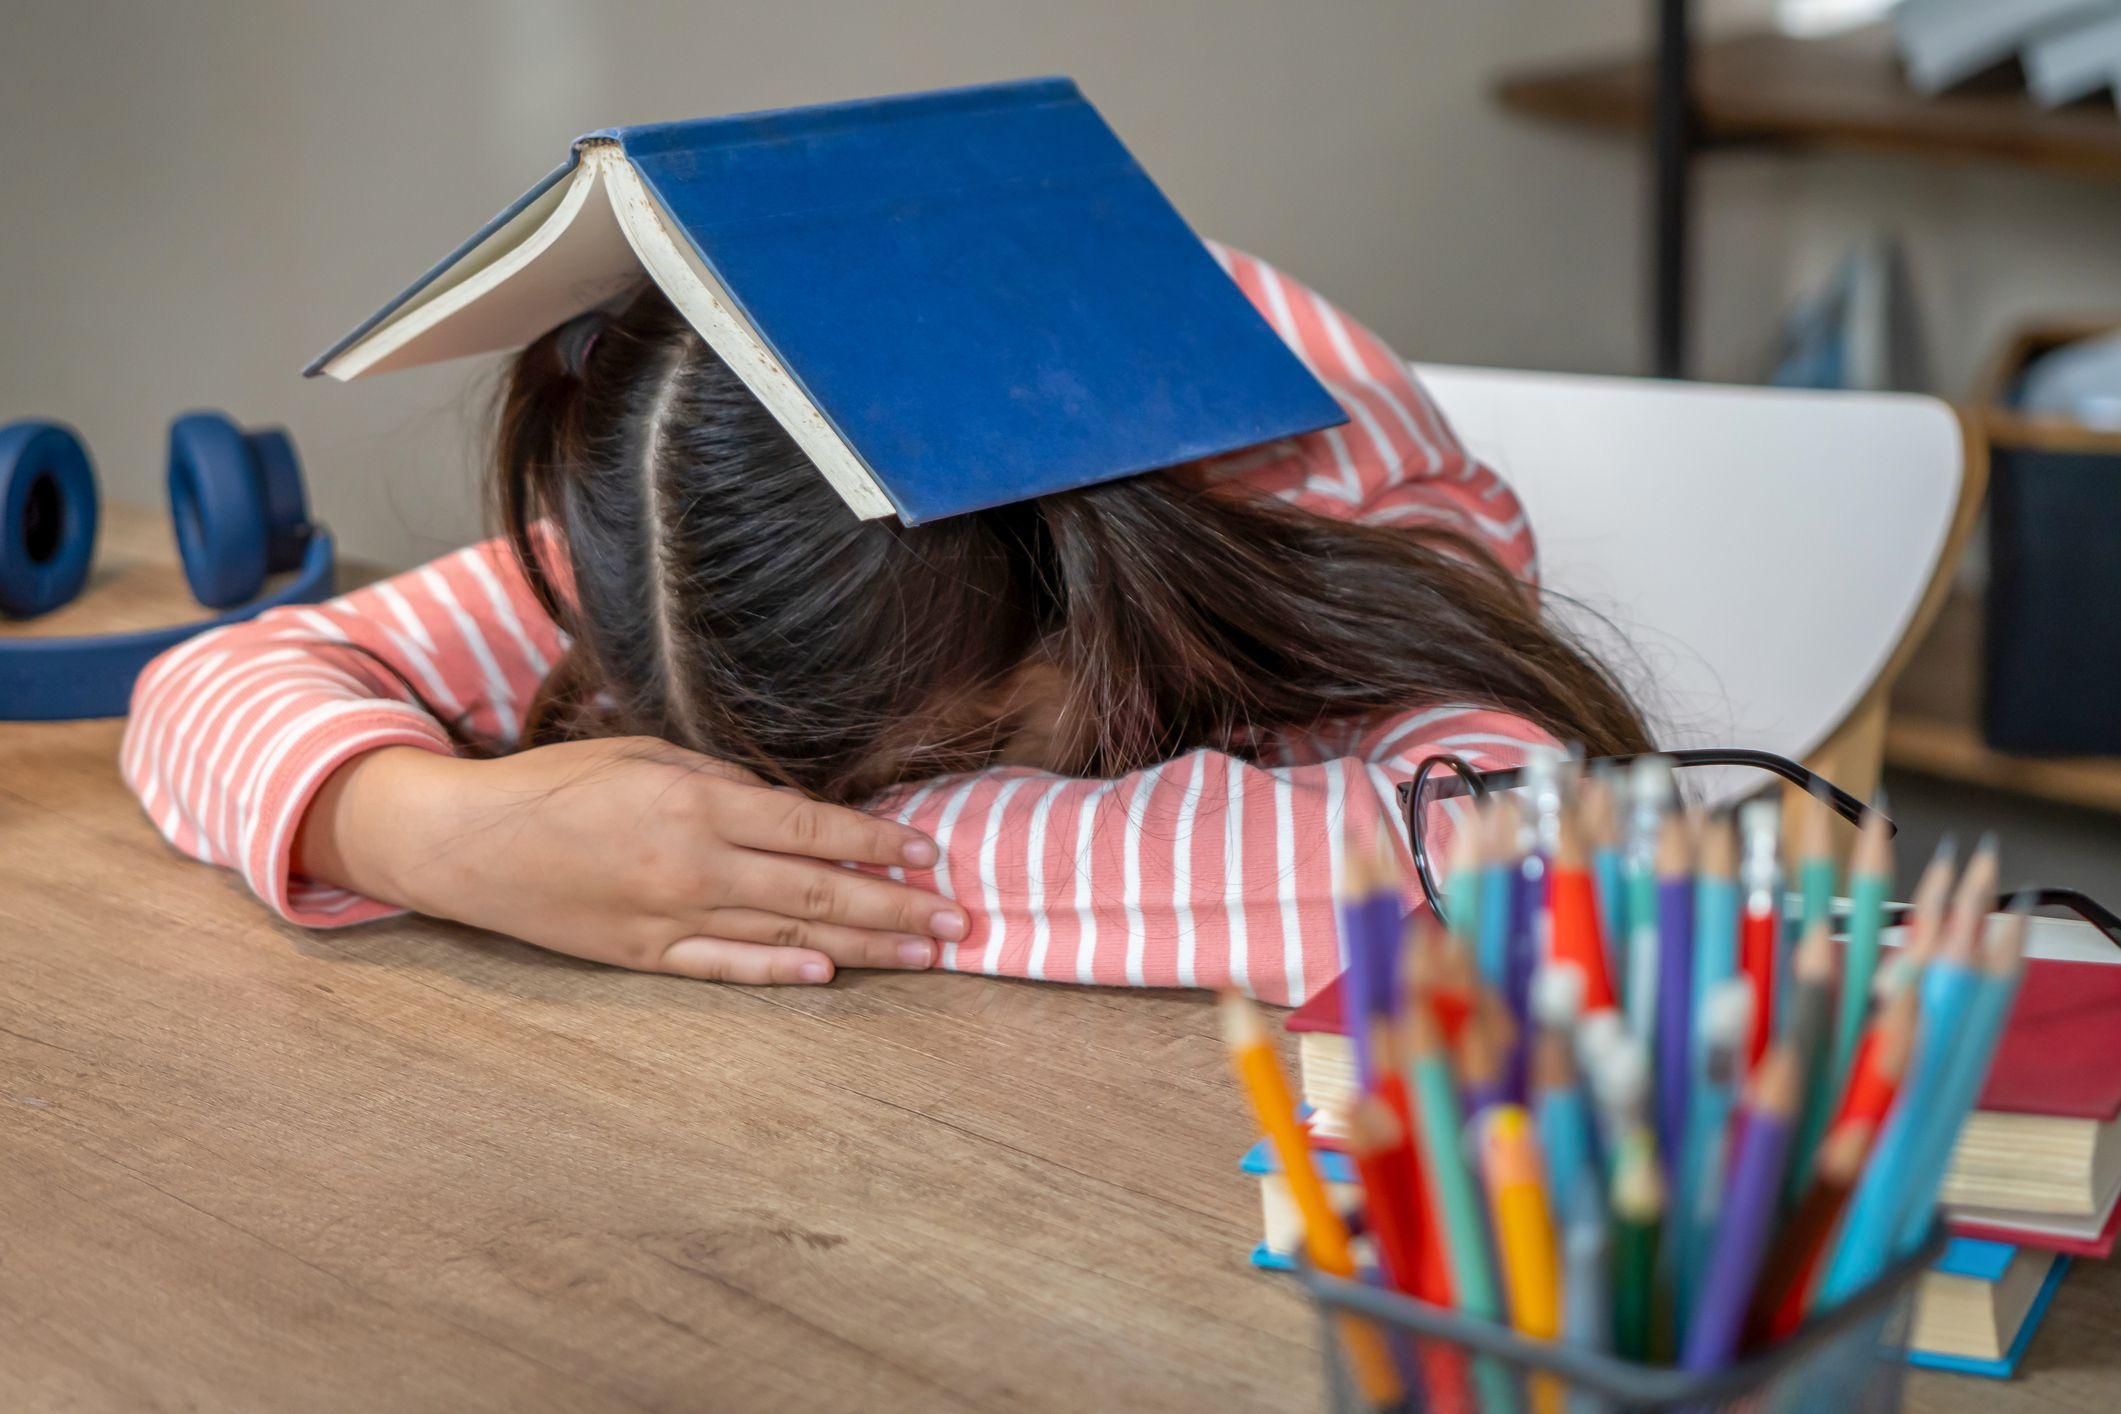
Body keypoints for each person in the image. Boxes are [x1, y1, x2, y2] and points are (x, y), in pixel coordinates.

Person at [122, 245, 1647, 1003]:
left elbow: (1509, 859)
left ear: (1099, 590)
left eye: (959, 746)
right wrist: (426, 831)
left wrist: (783, 880)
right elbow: (208, 685)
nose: (827, 808)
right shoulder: (720, 513)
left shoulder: (1322, 490)